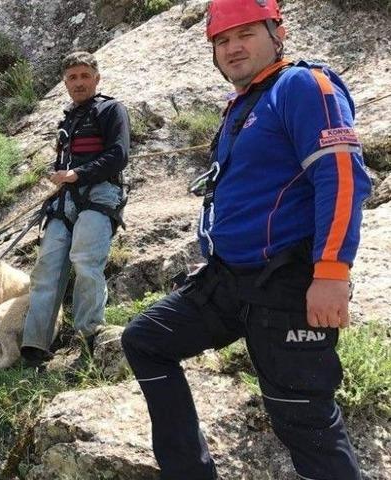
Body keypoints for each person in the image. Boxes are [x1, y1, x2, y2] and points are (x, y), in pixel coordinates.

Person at [120, 0, 371, 478]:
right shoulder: (243, 104)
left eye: (245, 34)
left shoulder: (302, 86)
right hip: (229, 280)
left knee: (301, 417)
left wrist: (333, 272)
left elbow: (341, 176)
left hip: (286, 283)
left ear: (279, 33)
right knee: (147, 340)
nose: (232, 47)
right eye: (221, 40)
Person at [20, 51, 130, 364]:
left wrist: (77, 174)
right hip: (65, 199)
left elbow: (119, 155)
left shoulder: (111, 110)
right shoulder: (68, 118)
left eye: (84, 75)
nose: (79, 82)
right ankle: (34, 346)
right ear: (65, 82)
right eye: (72, 77)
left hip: (99, 194)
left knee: (85, 261)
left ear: (96, 78)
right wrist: (63, 177)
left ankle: (88, 338)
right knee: (46, 270)